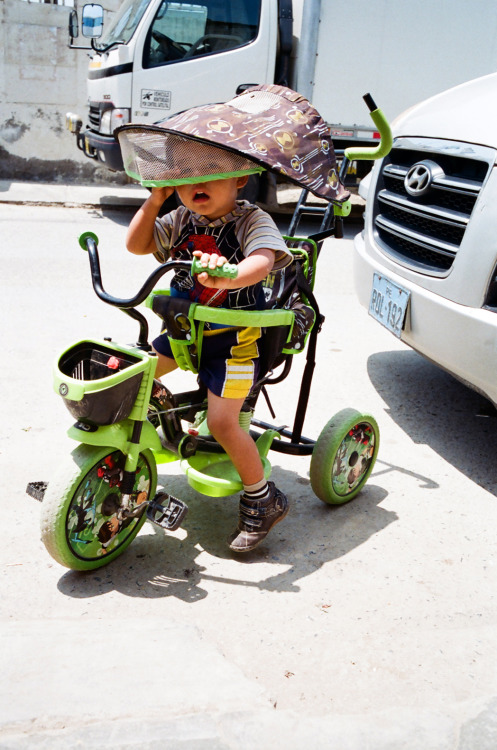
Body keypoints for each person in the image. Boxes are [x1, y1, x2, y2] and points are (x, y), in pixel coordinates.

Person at [126, 173, 291, 552]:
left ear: (240, 179)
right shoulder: (181, 218)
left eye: (210, 174)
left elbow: (263, 261)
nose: (196, 184)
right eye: (186, 177)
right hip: (185, 330)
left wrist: (230, 276)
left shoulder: (252, 220)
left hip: (234, 341)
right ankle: (139, 445)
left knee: (221, 423)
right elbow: (137, 246)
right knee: (134, 375)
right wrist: (155, 201)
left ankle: (263, 498)